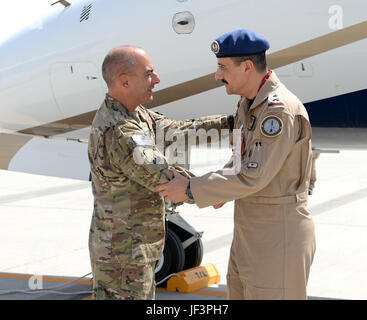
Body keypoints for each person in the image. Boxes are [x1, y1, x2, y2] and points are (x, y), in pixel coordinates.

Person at [156, 30, 316, 300]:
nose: (217, 76)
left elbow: (252, 175)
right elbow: (240, 160)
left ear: (247, 67)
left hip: (278, 236)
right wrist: (216, 189)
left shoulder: (277, 111)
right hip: (250, 234)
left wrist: (192, 189)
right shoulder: (249, 104)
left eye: (222, 68)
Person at [88, 45, 231, 300]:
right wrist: (210, 190)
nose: (157, 79)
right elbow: (163, 178)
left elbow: (179, 130)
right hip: (122, 257)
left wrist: (231, 123)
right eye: (149, 74)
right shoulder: (121, 131)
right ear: (125, 81)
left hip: (135, 248)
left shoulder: (135, 113)